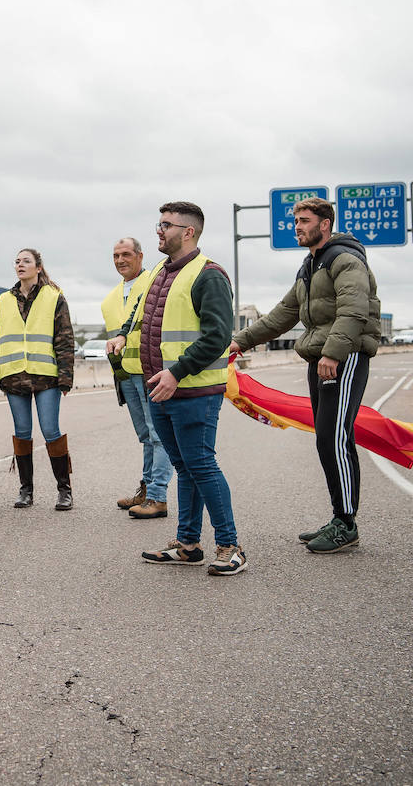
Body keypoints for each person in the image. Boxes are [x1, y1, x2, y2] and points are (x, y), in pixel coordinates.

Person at [231, 197, 382, 553]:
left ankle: (346, 523)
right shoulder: (310, 267)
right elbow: (283, 314)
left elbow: (354, 309)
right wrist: (240, 342)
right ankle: (340, 517)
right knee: (326, 438)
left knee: (335, 438)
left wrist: (332, 353)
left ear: (324, 224)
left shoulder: (345, 260)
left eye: (304, 220)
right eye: (295, 220)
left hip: (344, 358)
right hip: (322, 359)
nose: (296, 227)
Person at [107, 201, 246, 577]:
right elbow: (141, 314)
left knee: (201, 464)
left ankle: (230, 546)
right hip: (160, 388)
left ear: (188, 232)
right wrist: (123, 334)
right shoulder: (158, 274)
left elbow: (218, 336)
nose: (159, 230)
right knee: (185, 467)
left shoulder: (209, 275)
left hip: (194, 390)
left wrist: (177, 373)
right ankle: (188, 543)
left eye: (166, 224)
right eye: (159, 223)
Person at [0, 248, 76, 510]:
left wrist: (66, 377)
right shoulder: (3, 300)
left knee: (50, 431)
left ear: (38, 267)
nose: (20, 265)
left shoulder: (54, 297)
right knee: (22, 433)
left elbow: (66, 340)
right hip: (14, 376)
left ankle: (64, 490)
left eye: (26, 261)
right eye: (17, 261)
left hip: (46, 376)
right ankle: (26, 490)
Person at [102, 237, 173, 518]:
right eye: (116, 255)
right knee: (145, 435)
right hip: (124, 373)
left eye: (126, 254)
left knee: (158, 435)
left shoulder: (153, 283)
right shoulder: (110, 299)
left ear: (140, 256)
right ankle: (146, 489)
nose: (121, 260)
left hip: (150, 371)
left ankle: (158, 496)